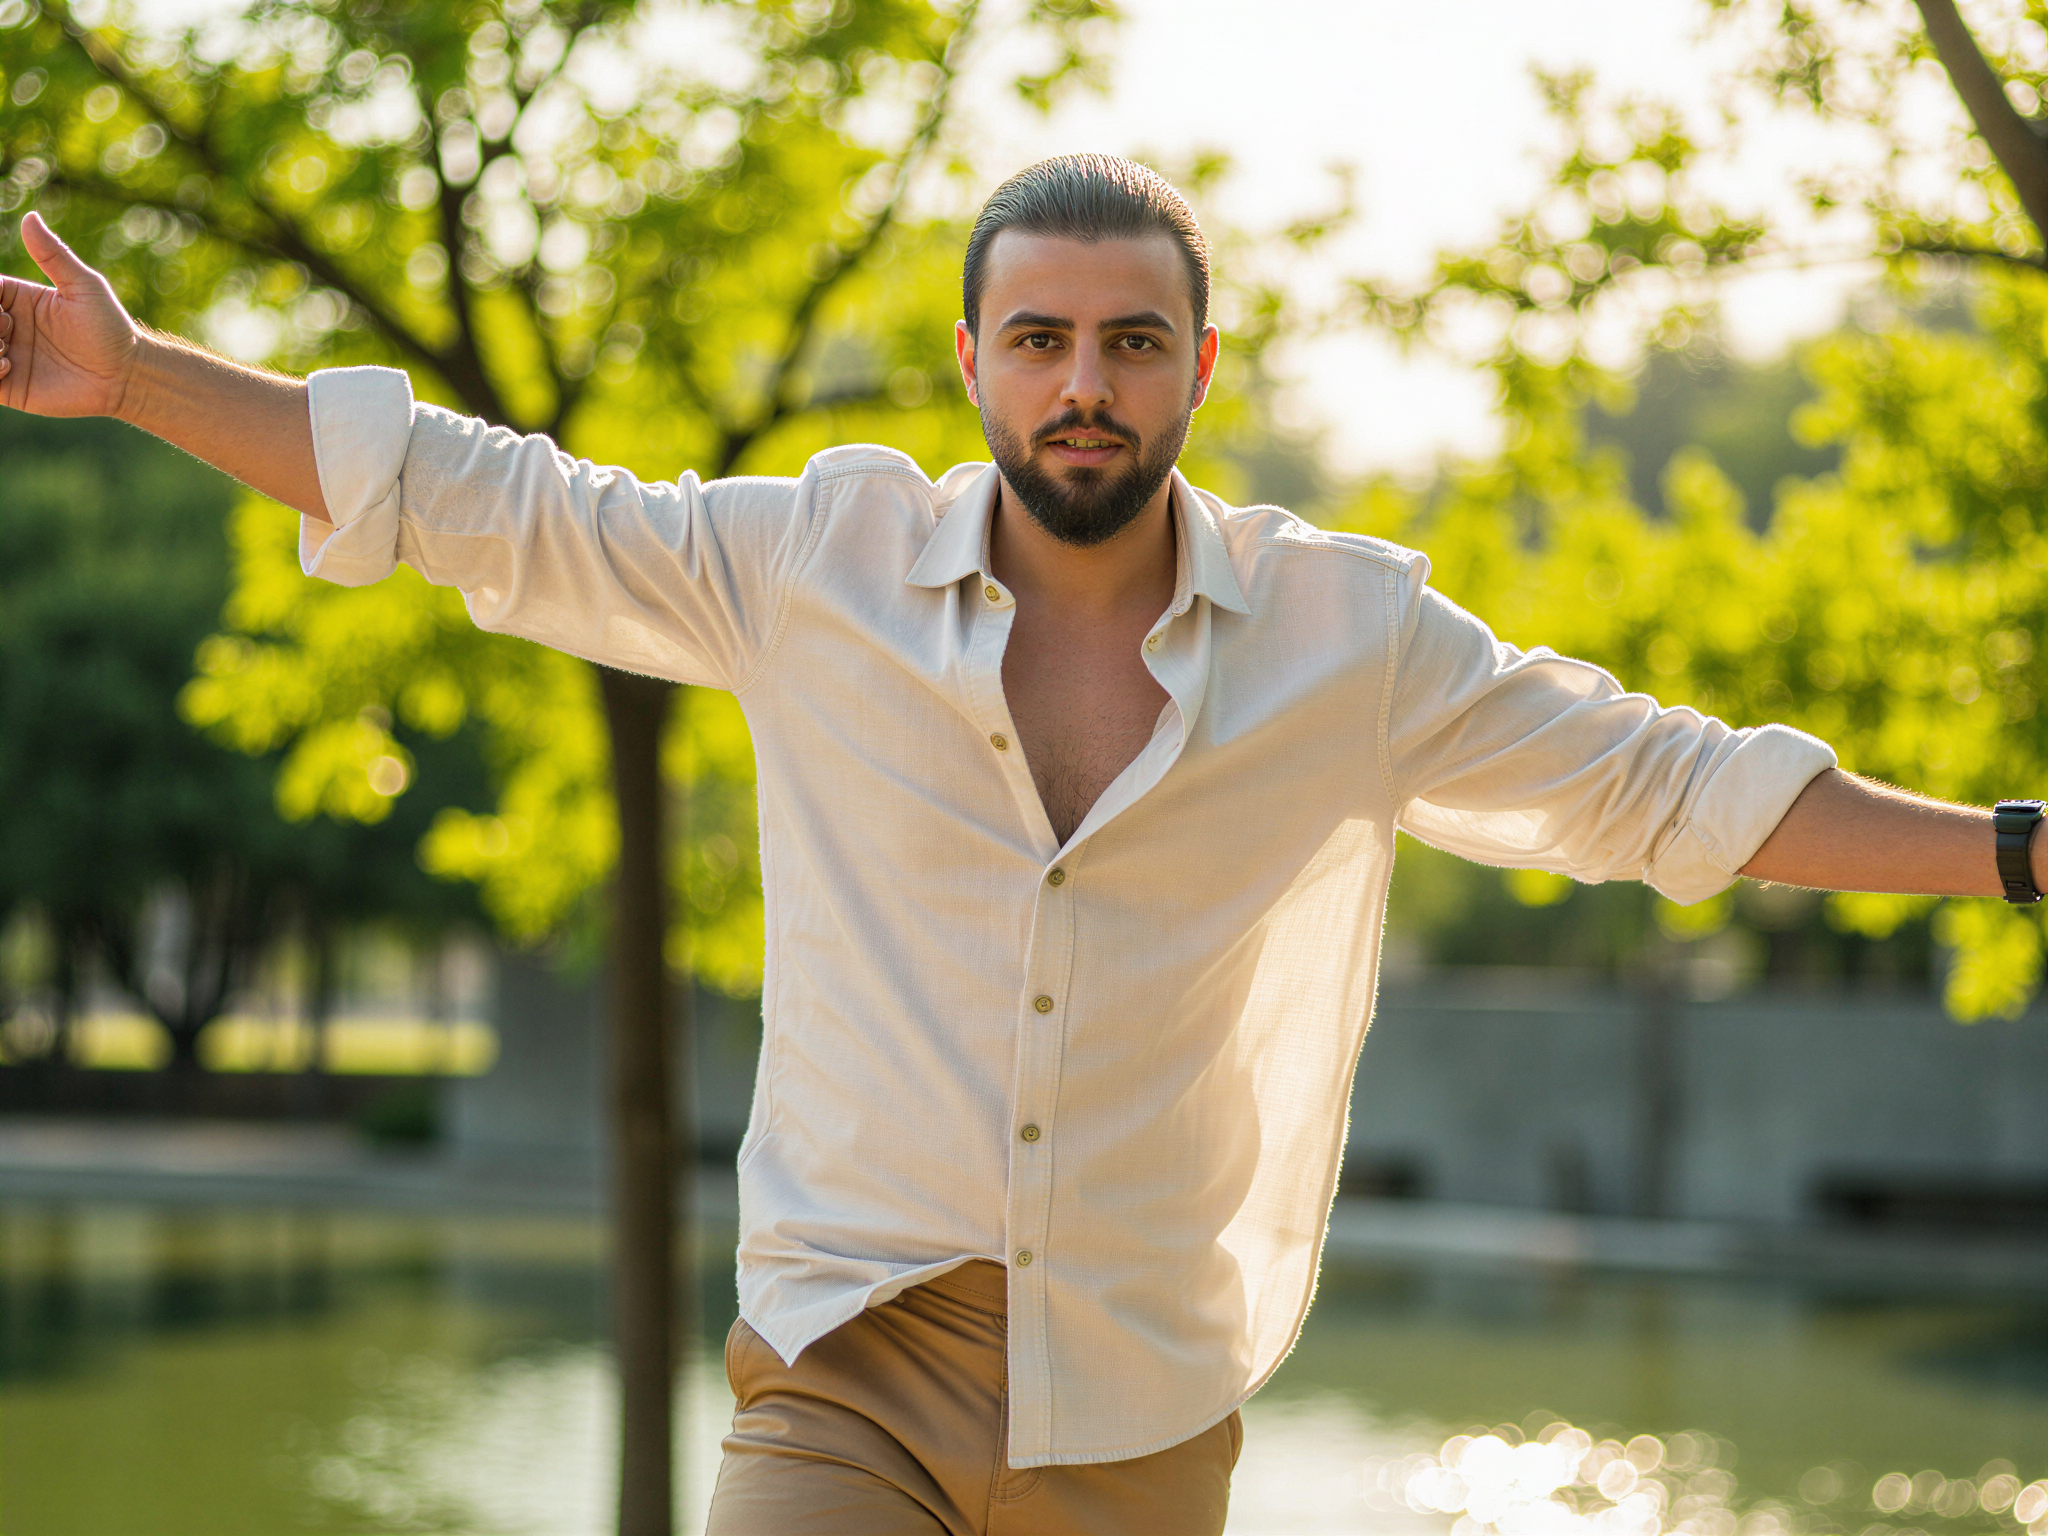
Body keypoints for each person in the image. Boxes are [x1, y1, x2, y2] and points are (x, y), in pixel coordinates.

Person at [2, 153, 2039, 1534]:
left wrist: (2015, 855)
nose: (1086, 385)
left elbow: (1670, 787)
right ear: (973, 359)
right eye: (1044, 340)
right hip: (849, 1358)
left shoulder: (1349, 639)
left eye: (1132, 343)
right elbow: (484, 498)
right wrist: (142, 380)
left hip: (1140, 1399)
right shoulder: (815, 563)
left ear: (1197, 372)